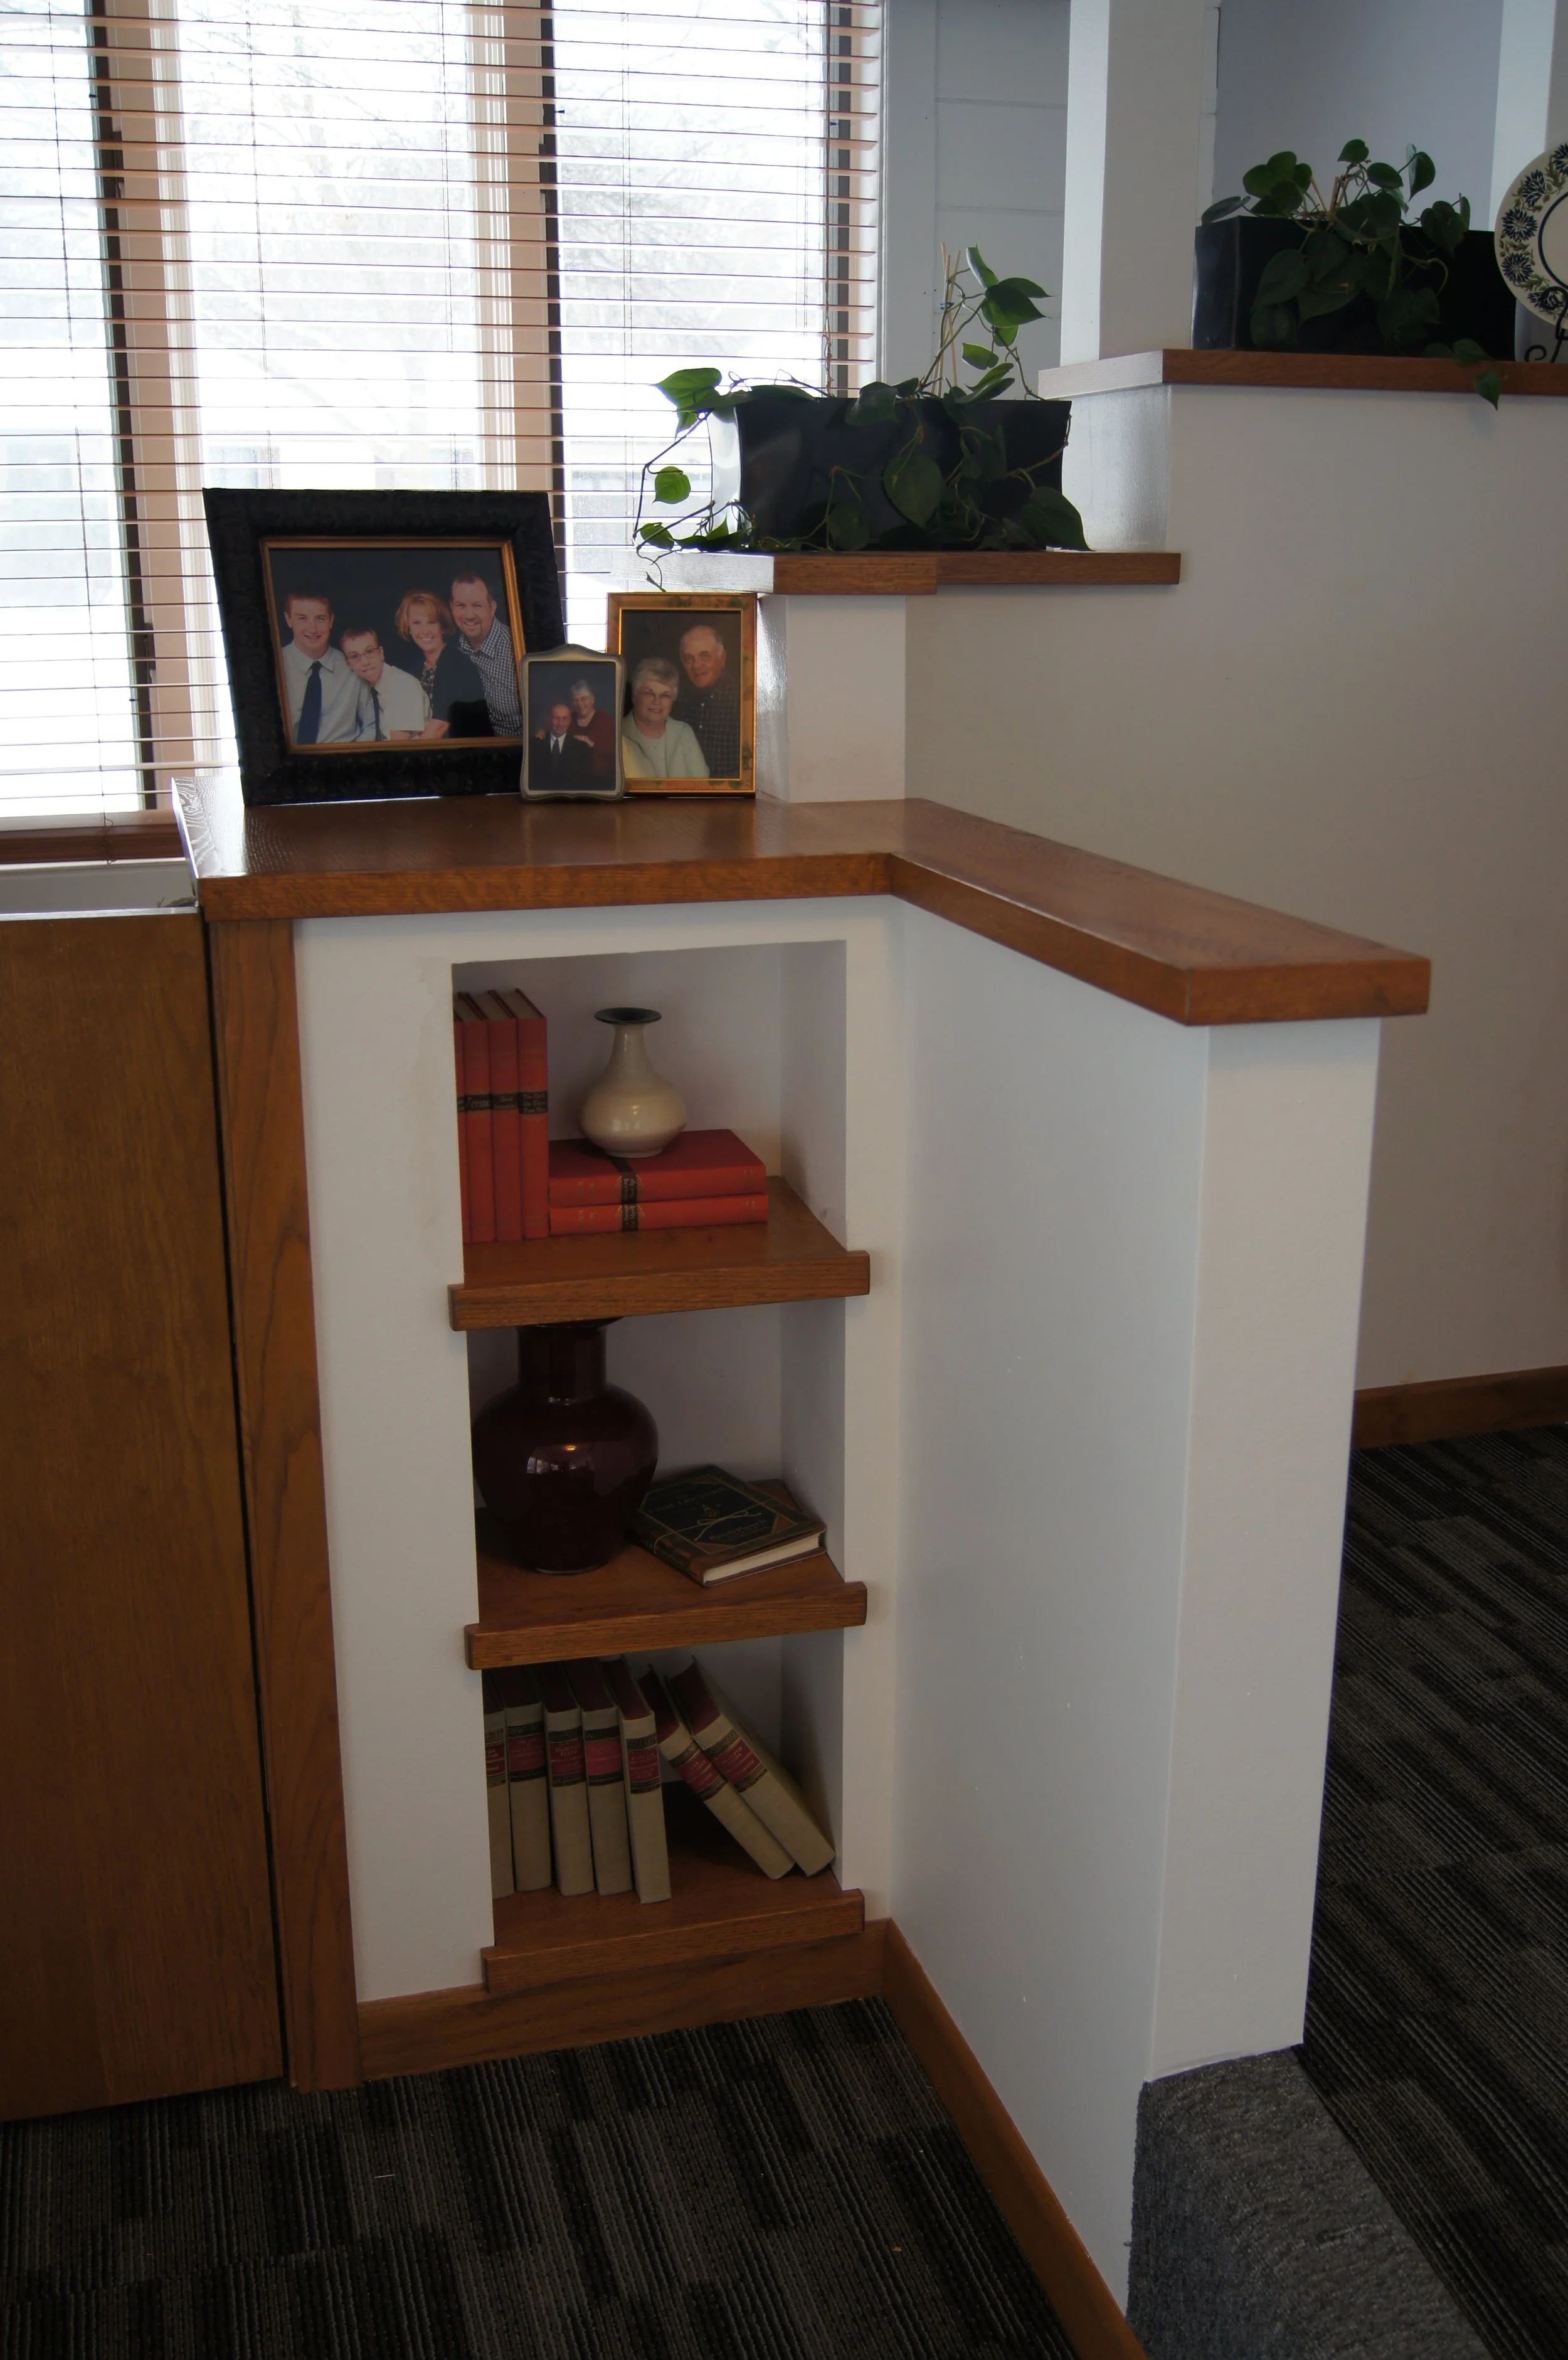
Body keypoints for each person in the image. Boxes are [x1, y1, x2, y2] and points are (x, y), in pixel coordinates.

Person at [391, 592, 490, 738]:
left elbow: (441, 725)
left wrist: (409, 757)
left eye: (431, 622)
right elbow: (404, 722)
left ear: (442, 626)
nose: (425, 631)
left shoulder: (457, 663)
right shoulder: (414, 670)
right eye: (417, 623)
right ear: (409, 628)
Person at [277, 588, 364, 745]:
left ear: (331, 621)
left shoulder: (353, 666)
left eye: (321, 619)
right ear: (288, 619)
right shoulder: (276, 666)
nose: (313, 629)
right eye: (302, 618)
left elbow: (371, 725)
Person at [450, 571, 522, 738]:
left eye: (477, 605)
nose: (469, 615)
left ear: (493, 607)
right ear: (452, 607)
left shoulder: (517, 649)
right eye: (461, 606)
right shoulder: (452, 648)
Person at [620, 656, 708, 782]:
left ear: (673, 699)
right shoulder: (617, 737)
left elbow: (703, 786)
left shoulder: (684, 733)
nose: (657, 701)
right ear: (634, 696)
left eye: (665, 695)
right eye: (649, 693)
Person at [341, 625, 437, 740]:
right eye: (354, 656)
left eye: (370, 651)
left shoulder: (402, 686)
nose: (365, 662)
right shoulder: (368, 686)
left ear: (381, 653)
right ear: (348, 663)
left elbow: (399, 747)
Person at [674, 620, 740, 775]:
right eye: (689, 658)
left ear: (722, 658)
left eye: (705, 656)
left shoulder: (742, 700)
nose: (696, 666)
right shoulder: (678, 699)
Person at [532, 699, 597, 789]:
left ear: (570, 721)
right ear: (549, 719)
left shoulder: (582, 748)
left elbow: (586, 782)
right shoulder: (535, 745)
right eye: (556, 718)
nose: (560, 723)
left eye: (565, 719)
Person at [567, 676, 617, 780]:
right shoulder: (568, 719)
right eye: (576, 700)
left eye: (583, 699)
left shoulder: (607, 720)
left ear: (592, 700)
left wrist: (592, 743)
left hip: (602, 779)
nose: (580, 704)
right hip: (573, 778)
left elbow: (617, 751)